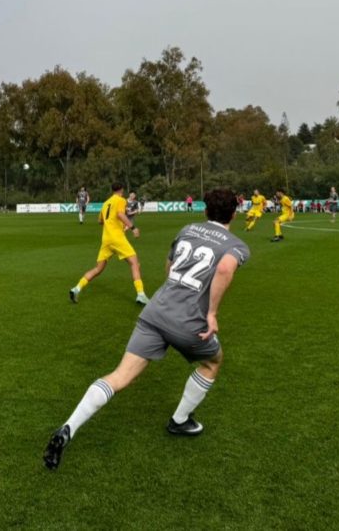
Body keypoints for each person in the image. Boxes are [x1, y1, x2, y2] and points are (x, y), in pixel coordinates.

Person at [44, 188, 249, 470]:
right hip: (189, 322)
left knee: (119, 376)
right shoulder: (237, 245)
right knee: (212, 362)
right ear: (234, 214)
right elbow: (224, 269)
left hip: (156, 311)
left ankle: (68, 427)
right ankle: (179, 421)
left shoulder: (188, 229)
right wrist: (211, 313)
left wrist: (174, 291)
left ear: (205, 210)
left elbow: (170, 265)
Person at [69, 182, 148, 306]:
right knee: (134, 263)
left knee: (98, 269)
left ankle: (76, 288)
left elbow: (100, 221)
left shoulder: (106, 203)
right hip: (117, 238)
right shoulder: (121, 200)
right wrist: (133, 228)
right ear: (121, 190)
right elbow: (120, 214)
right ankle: (141, 294)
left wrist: (111, 223)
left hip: (106, 240)